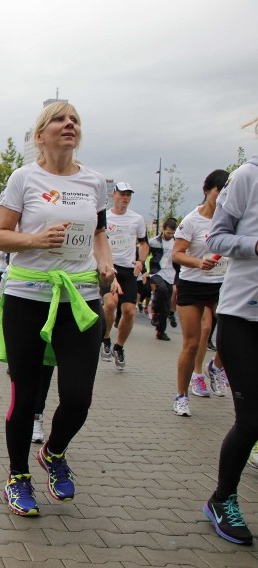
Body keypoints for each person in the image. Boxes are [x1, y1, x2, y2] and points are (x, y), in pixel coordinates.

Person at [0, 101, 115, 517]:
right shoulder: (23, 178)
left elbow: (98, 232)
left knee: (78, 396)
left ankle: (54, 451)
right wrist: (35, 240)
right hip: (28, 295)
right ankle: (17, 476)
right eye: (60, 120)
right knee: (26, 395)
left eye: (75, 120)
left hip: (79, 298)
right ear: (40, 134)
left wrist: (104, 260)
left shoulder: (95, 182)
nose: (69, 125)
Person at [204, 126, 257, 545]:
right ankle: (223, 498)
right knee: (252, 418)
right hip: (243, 315)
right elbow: (216, 236)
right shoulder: (247, 176)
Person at [171, 170, 230, 417]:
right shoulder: (192, 220)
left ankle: (215, 367)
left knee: (232, 337)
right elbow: (177, 254)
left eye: (227, 191)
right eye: (219, 191)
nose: (222, 196)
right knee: (193, 342)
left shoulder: (231, 219)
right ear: (207, 190)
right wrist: (197, 263)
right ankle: (182, 396)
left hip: (222, 284)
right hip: (193, 285)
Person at [98, 182, 149, 370]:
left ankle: (119, 347)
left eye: (128, 195)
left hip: (128, 269)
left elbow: (144, 244)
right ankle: (105, 339)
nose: (125, 198)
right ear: (114, 195)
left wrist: (141, 261)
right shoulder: (105, 217)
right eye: (122, 194)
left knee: (128, 311)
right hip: (109, 266)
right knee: (110, 303)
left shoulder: (137, 219)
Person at [147, 218, 178, 341]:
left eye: (172, 233)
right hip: (157, 272)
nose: (170, 235)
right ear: (163, 229)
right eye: (168, 232)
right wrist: (144, 271)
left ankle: (160, 332)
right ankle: (154, 312)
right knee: (161, 289)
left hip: (171, 274)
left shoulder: (177, 242)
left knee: (166, 306)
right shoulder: (154, 242)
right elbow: (143, 254)